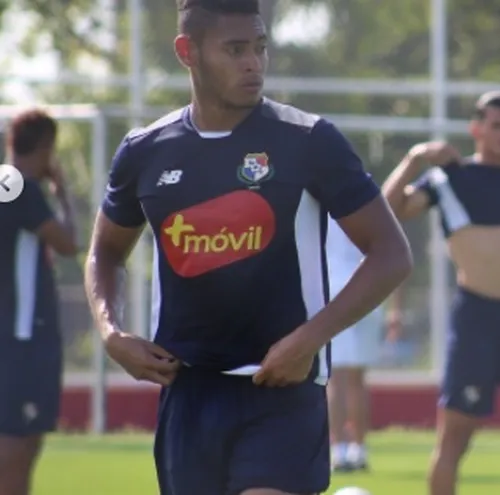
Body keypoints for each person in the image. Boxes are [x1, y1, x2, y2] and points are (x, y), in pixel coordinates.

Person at [83, 1, 412, 494]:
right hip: (188, 394)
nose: (253, 64)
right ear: (187, 52)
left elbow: (391, 253)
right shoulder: (145, 151)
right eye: (235, 50)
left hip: (281, 389)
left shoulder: (308, 140)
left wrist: (309, 340)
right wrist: (111, 332)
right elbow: (105, 253)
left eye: (259, 48)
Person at [382, 91, 500, 495]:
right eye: (496, 125)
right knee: (455, 438)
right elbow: (388, 208)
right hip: (477, 320)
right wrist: (416, 158)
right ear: (477, 129)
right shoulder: (448, 179)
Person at [0, 109, 78, 495]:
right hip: (23, 335)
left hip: (14, 335)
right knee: (17, 443)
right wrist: (61, 192)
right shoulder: (21, 188)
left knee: (22, 439)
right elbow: (68, 243)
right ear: (47, 147)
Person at [326, 218, 386, 473]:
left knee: (337, 379)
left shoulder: (320, 203)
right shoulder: (368, 203)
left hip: (332, 289)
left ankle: (339, 450)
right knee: (356, 379)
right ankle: (358, 450)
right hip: (367, 287)